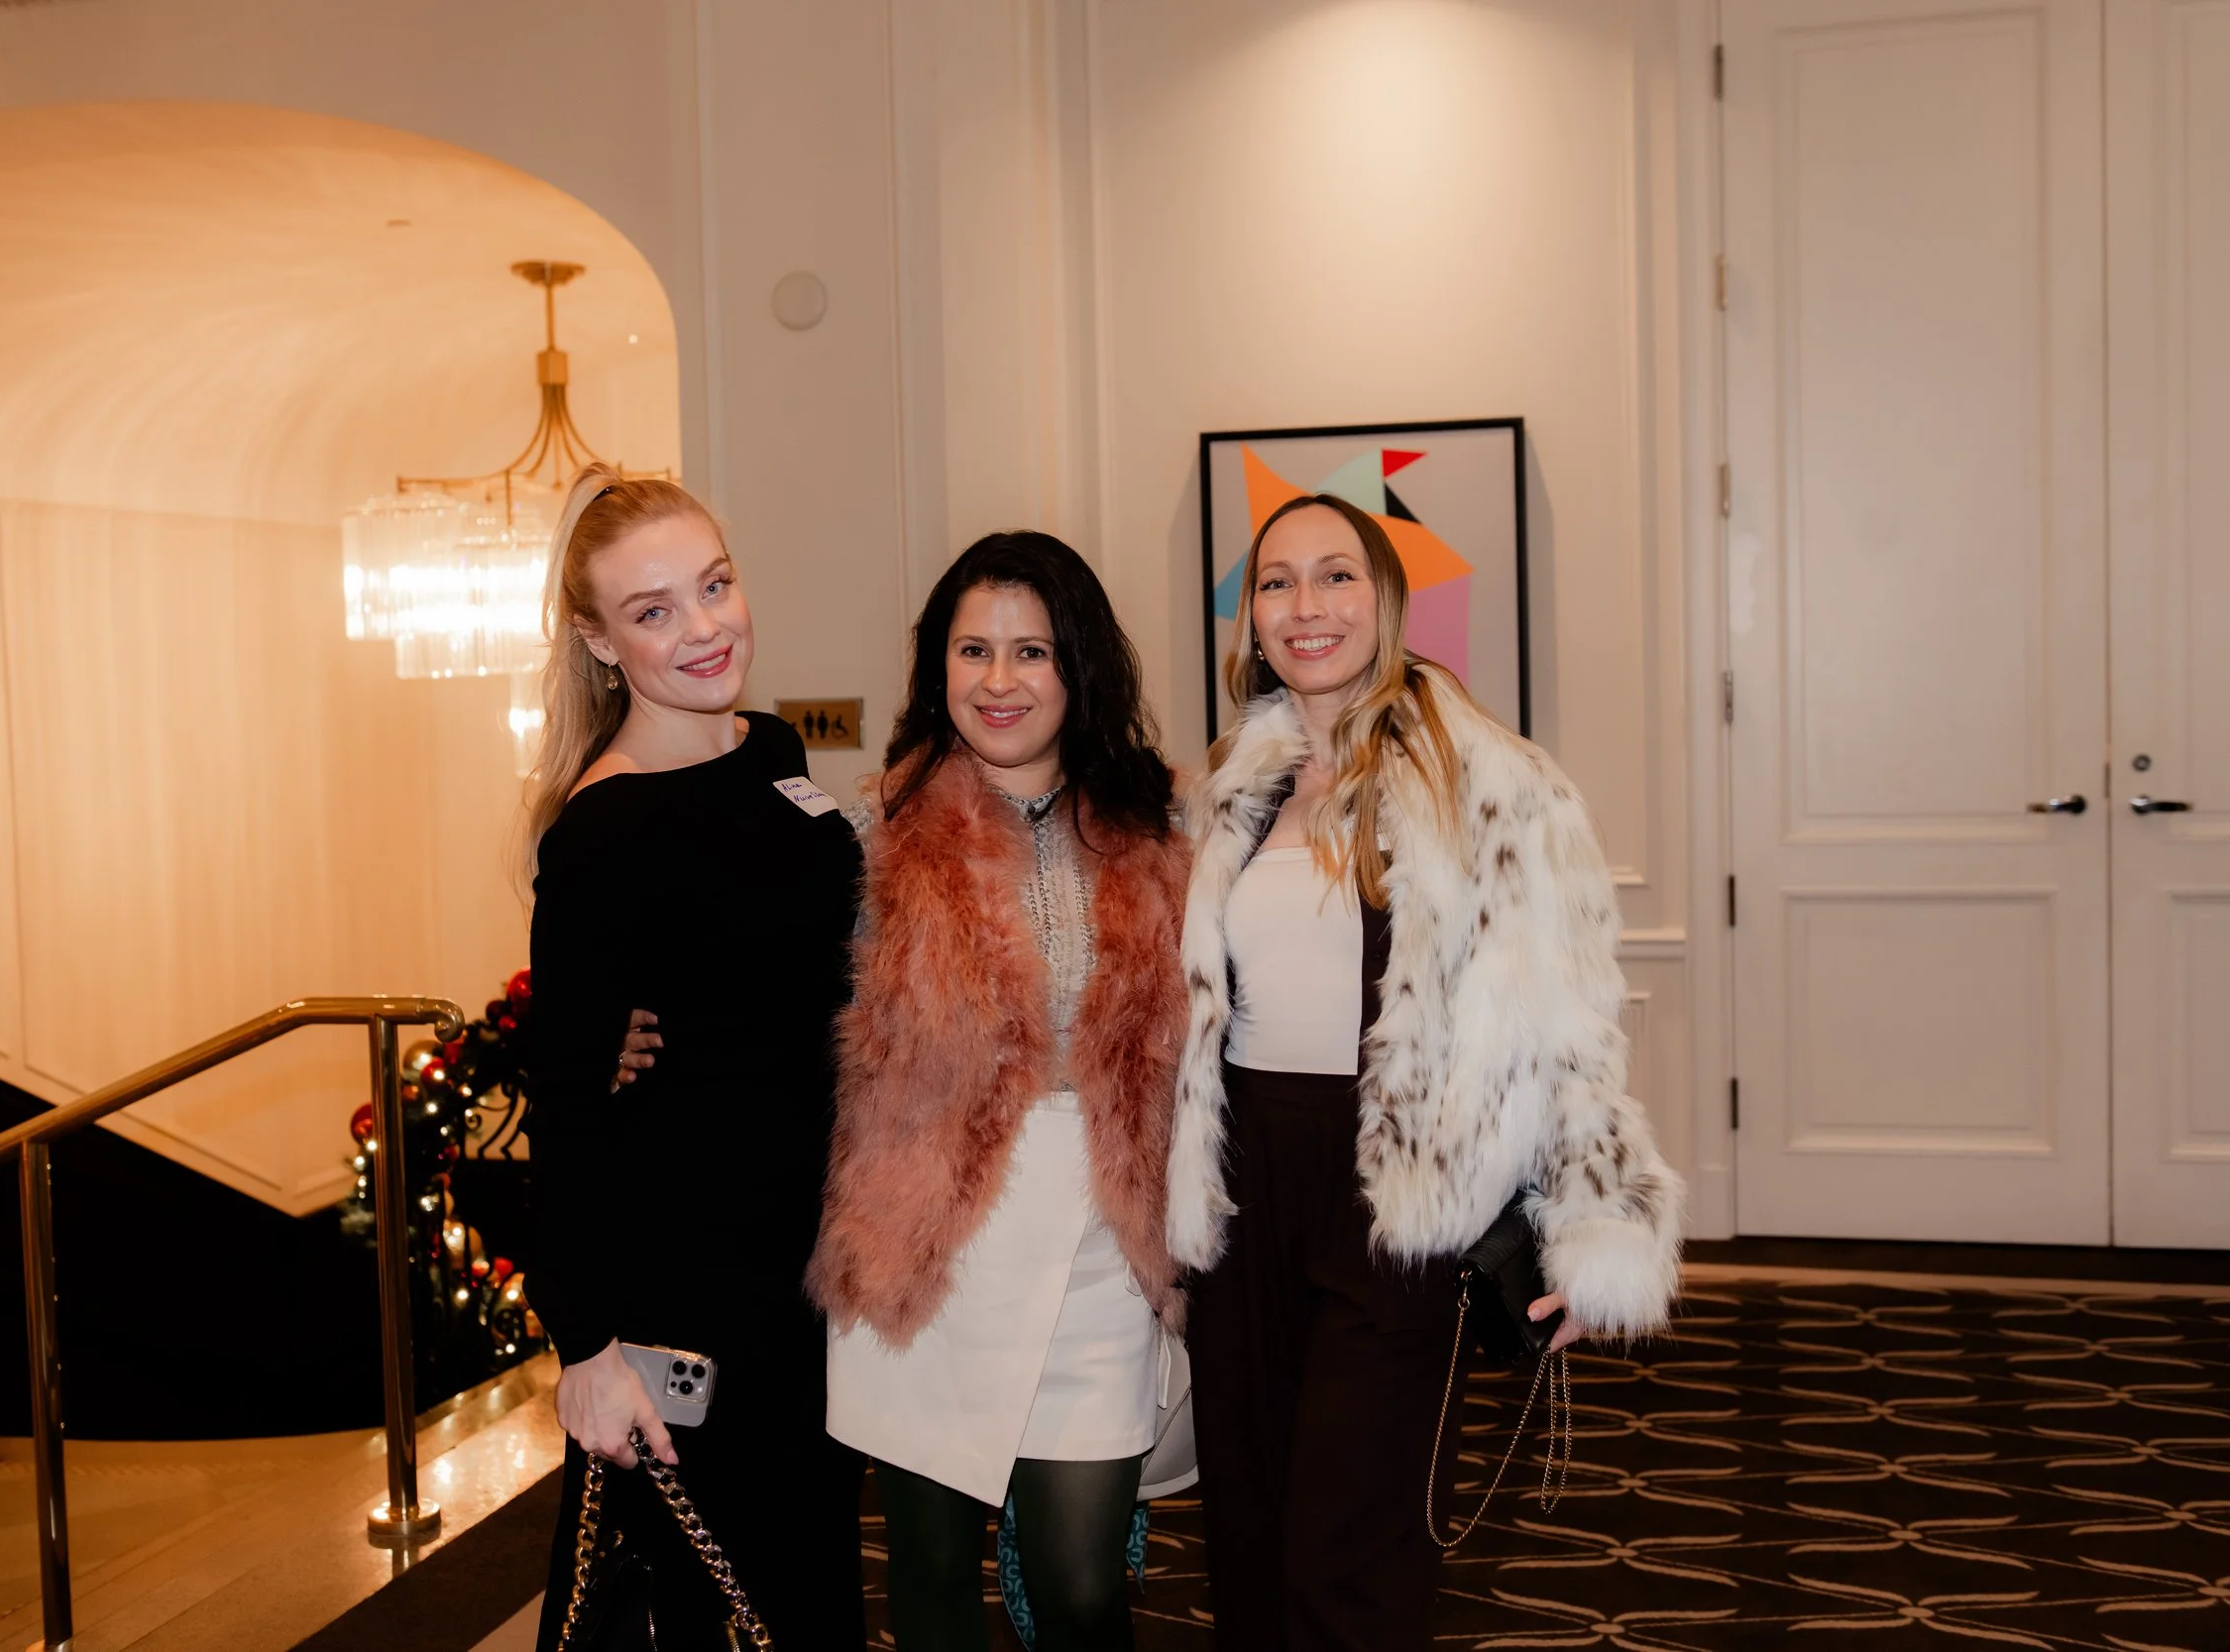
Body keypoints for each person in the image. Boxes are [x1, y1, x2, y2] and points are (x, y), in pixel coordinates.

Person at [1168, 494, 1683, 1651]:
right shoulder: (1227, 787)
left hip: (1398, 1195)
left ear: (1387, 601)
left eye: (1337, 576)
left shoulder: (1491, 777)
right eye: (1278, 581)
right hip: (1245, 1185)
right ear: (1249, 616)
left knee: (1350, 1545)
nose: (1307, 606)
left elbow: (1569, 1018)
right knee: (1248, 1528)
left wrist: (1588, 1221)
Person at [806, 531, 1191, 1652]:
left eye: (1031, 650)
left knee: (1080, 1587)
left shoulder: (1156, 831)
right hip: (930, 1251)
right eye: (973, 648)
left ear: (1079, 667)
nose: (999, 679)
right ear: (938, 665)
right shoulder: (872, 834)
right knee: (928, 1584)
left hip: (1099, 1246)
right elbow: (774, 1008)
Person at [520, 467, 866, 1650]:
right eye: (653, 609)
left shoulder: (767, 750)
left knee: (808, 1577)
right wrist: (584, 1348)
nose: (704, 627)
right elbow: (560, 1108)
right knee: (739, 1600)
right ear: (597, 639)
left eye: (713, 585)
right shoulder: (600, 831)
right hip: (689, 1280)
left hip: (807, 1263)